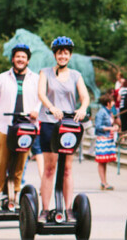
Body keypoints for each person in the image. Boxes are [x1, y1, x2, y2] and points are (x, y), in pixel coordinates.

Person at [38, 36, 90, 223]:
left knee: (67, 168)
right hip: (49, 122)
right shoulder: (45, 72)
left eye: (66, 53)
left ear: (70, 55)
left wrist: (83, 108)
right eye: (59, 52)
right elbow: (41, 93)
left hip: (68, 125)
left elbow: (84, 96)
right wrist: (51, 107)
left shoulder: (76, 75)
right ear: (55, 54)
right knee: (50, 168)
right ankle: (44, 210)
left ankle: (67, 209)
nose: (63, 55)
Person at [0, 44, 41, 211]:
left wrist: (36, 111)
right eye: (17, 57)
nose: (20, 59)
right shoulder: (2, 78)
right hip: (4, 126)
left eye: (23, 57)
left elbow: (41, 100)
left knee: (20, 163)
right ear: (13, 59)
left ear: (28, 60)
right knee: (0, 162)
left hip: (26, 128)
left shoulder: (36, 79)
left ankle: (14, 196)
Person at [94, 93, 119, 190]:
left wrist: (114, 127)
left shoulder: (108, 112)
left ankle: (104, 181)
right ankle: (103, 182)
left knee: (104, 162)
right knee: (101, 161)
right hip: (103, 138)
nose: (113, 103)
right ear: (108, 103)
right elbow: (98, 126)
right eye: (112, 101)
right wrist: (110, 128)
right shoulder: (101, 112)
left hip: (108, 138)